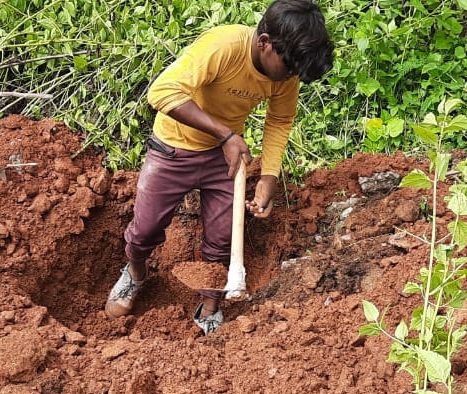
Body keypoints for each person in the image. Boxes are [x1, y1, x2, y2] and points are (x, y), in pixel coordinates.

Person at [104, 0, 334, 334]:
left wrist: (268, 176)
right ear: (264, 42)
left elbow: (280, 120)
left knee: (221, 240)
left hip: (223, 158)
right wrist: (224, 134)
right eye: (288, 67)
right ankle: (136, 273)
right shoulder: (223, 47)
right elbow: (162, 91)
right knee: (145, 231)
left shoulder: (287, 69)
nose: (289, 77)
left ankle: (210, 303)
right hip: (172, 149)